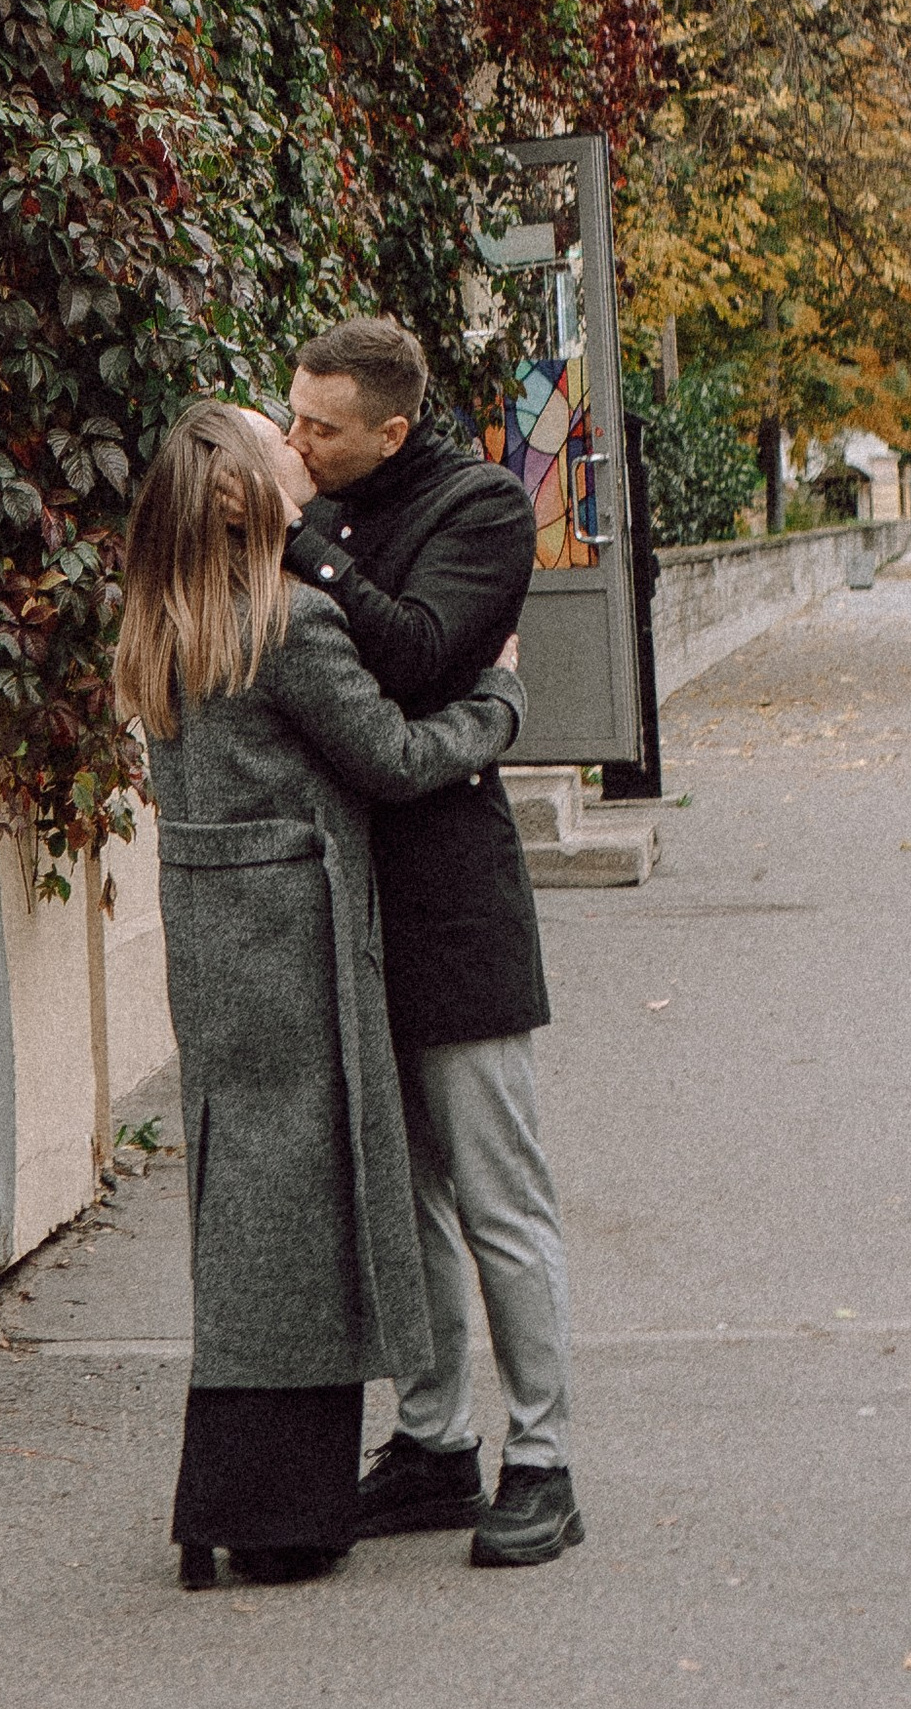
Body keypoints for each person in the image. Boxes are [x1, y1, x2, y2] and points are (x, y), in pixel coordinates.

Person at [120, 395, 526, 1591]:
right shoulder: (290, 623)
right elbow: (394, 762)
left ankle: (228, 1498)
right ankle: (277, 1509)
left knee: (243, 1200)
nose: (296, 452)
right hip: (298, 937)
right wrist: (497, 706)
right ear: (246, 495)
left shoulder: (162, 622)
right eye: (274, 442)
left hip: (214, 940)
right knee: (309, 1205)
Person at [282, 315, 581, 1568]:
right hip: (350, 909)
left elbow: (412, 657)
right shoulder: (336, 503)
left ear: (391, 430)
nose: (296, 443)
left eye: (322, 429)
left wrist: (306, 556)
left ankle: (545, 1463)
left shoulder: (481, 512)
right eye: (290, 416)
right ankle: (431, 1445)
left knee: (498, 1199)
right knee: (401, 1202)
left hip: (454, 903)